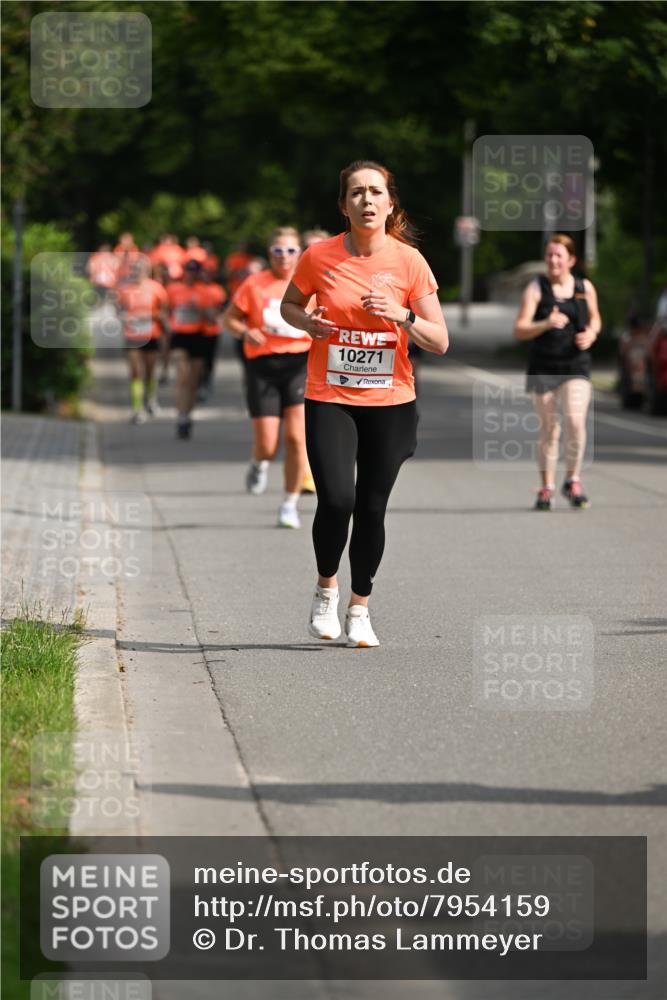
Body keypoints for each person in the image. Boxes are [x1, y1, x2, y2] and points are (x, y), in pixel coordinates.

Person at [280, 160, 448, 647]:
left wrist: (402, 315)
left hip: (391, 401)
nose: (367, 200)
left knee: (372, 508)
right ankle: (326, 590)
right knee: (337, 500)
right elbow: (289, 305)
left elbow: (440, 340)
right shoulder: (318, 256)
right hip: (330, 395)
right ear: (343, 205)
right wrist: (307, 323)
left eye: (376, 192)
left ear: (390, 204)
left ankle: (360, 608)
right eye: (356, 192)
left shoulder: (410, 262)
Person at [224, 227, 311, 529]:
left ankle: (289, 504)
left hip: (300, 364)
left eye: (290, 250)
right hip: (263, 367)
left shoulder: (310, 283)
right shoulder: (254, 284)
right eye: (277, 250)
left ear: (299, 253)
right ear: (269, 253)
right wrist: (245, 331)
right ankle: (258, 462)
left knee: (297, 439)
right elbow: (229, 319)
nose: (284, 256)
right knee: (267, 444)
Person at [513, 234, 601, 510]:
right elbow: (520, 329)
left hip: (576, 364)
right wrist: (546, 323)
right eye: (549, 255)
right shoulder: (536, 288)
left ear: (571, 260)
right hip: (543, 366)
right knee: (550, 429)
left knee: (575, 420)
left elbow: (596, 318)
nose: (552, 260)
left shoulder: (584, 287)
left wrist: (592, 333)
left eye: (558, 256)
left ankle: (573, 480)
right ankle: (547, 487)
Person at [115, 259, 169, 423]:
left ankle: (150, 399)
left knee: (150, 371)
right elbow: (119, 310)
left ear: (146, 272)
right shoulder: (124, 290)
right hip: (132, 336)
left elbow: (165, 312)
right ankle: (137, 408)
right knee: (135, 372)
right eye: (133, 270)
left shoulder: (156, 288)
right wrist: (123, 317)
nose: (135, 273)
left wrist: (150, 316)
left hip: (151, 334)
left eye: (139, 270)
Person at [166, 259, 210, 439]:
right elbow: (165, 310)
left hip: (198, 336)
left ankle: (188, 414)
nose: (191, 274)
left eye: (195, 271)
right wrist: (167, 325)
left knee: (193, 381)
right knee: (183, 377)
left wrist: (199, 310)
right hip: (179, 336)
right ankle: (181, 416)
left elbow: (212, 317)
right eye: (189, 270)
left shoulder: (204, 292)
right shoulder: (173, 290)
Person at [198, 268, 228, 401]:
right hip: (197, 330)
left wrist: (214, 315)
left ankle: (206, 381)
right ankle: (198, 383)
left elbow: (223, 308)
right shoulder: (196, 288)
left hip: (212, 330)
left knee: (209, 359)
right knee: (197, 360)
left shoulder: (217, 290)